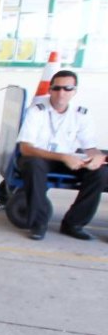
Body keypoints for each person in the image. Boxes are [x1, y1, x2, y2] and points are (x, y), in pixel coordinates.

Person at [15, 70, 106, 240]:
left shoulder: (81, 113)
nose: (61, 93)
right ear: (50, 90)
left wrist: (97, 158)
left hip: (69, 159)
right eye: (56, 88)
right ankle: (38, 223)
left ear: (74, 91)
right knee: (32, 165)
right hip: (41, 157)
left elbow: (90, 147)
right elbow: (25, 148)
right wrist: (63, 157)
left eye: (67, 88)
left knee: (101, 172)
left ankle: (74, 224)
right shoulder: (36, 111)